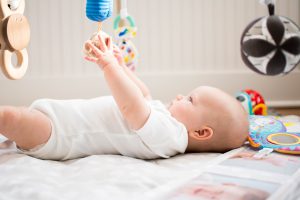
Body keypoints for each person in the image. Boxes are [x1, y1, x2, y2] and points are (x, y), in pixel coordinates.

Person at [0, 33, 249, 160]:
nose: (181, 96)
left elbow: (132, 106)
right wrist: (121, 65)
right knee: (13, 118)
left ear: (201, 133)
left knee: (9, 117)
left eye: (190, 100)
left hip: (57, 135)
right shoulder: (166, 123)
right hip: (59, 119)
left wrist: (109, 67)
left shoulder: (170, 137)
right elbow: (143, 96)